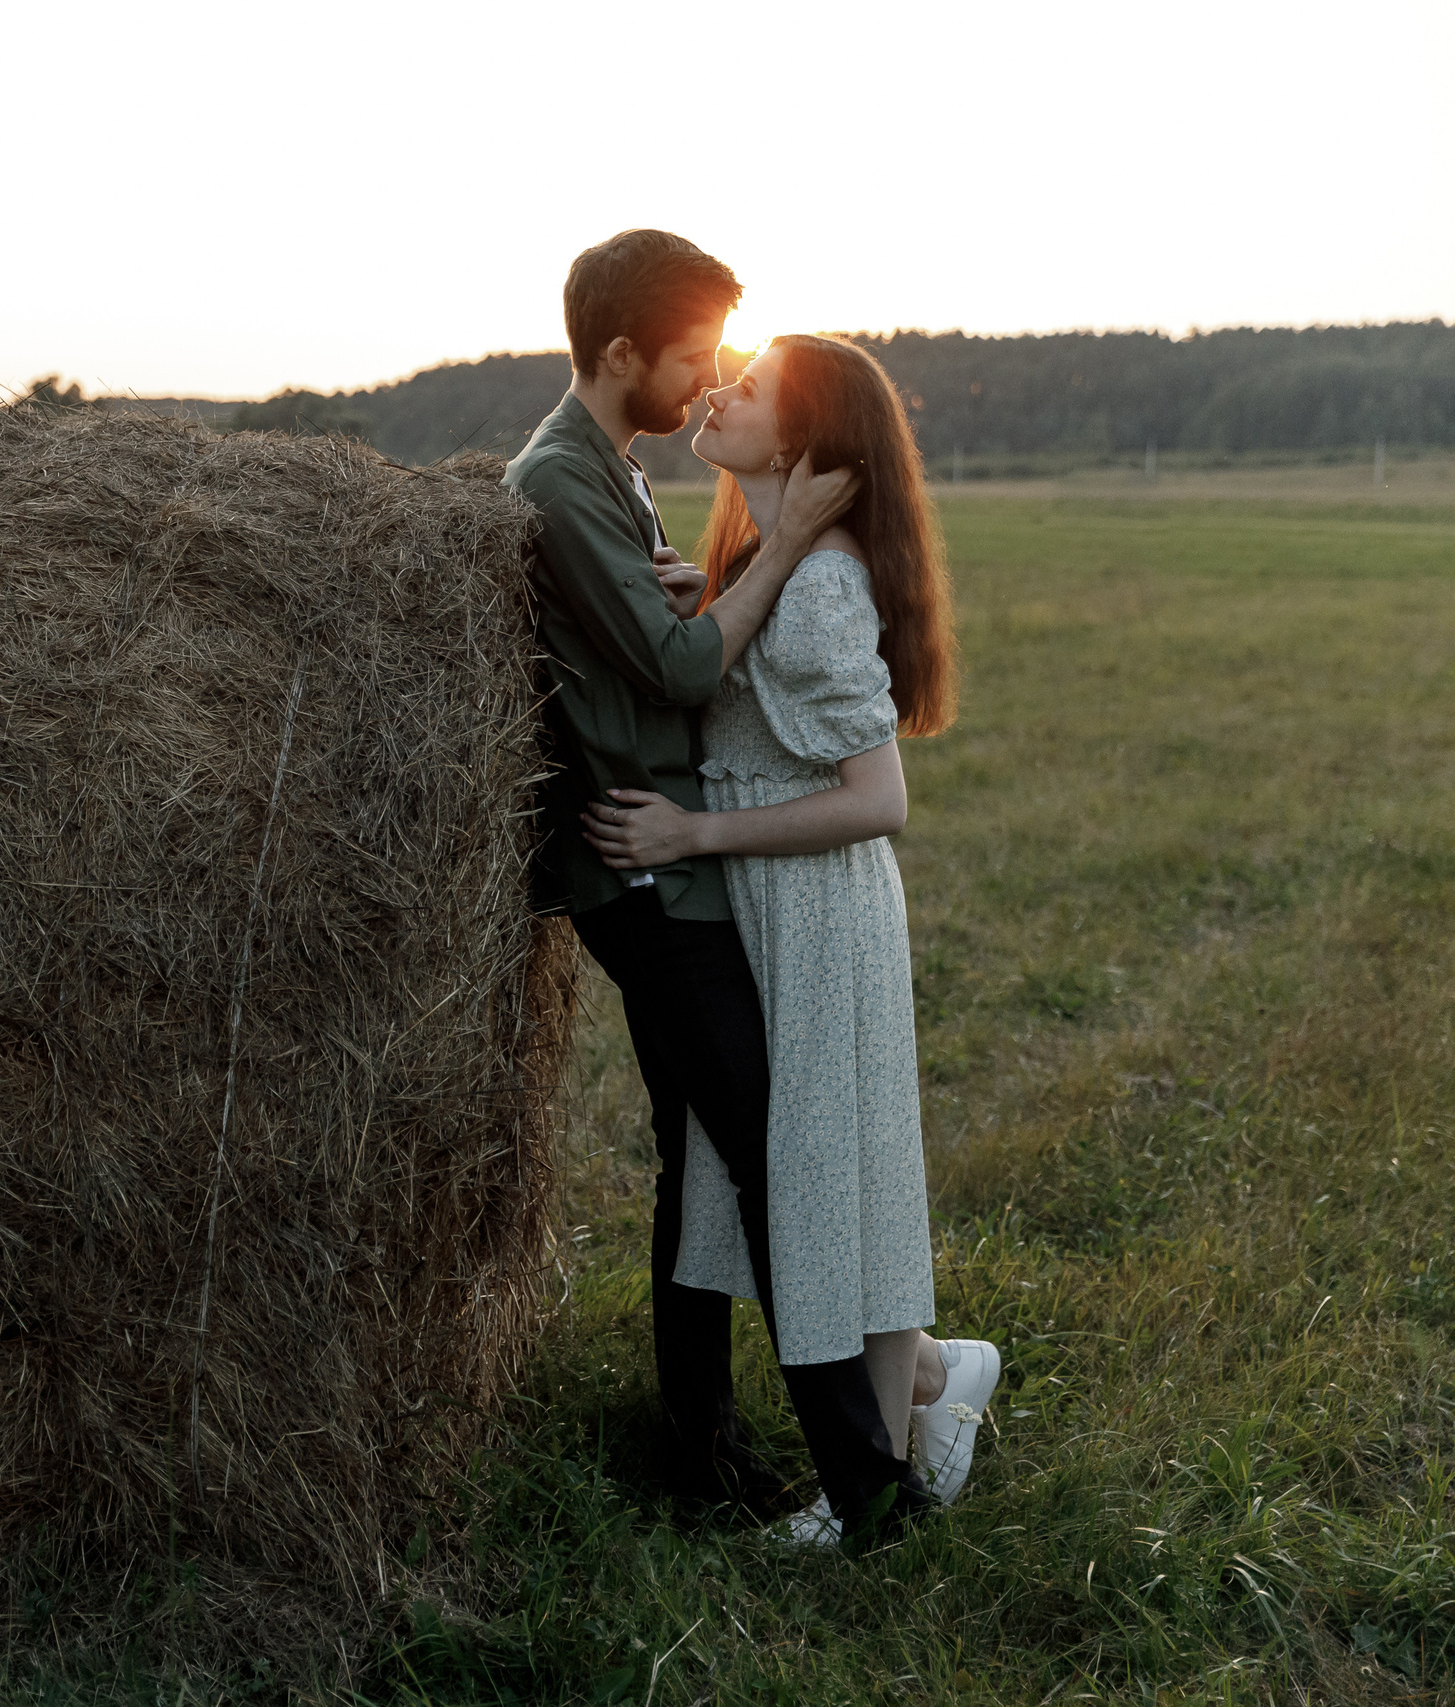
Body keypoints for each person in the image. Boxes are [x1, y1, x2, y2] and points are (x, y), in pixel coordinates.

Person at [579, 334, 1002, 1545]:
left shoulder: (817, 585)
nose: (714, 391)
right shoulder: (775, 561)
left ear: (806, 444)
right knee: (820, 1164)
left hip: (813, 907)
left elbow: (880, 800)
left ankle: (864, 1479)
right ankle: (923, 1376)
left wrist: (694, 833)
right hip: (783, 903)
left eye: (747, 389)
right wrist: (692, 607)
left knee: (822, 1171)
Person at [502, 230, 883, 1527]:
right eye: (689, 357)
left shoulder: (608, 467)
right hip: (648, 877)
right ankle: (864, 1479)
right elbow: (673, 672)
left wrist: (697, 587)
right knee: (770, 1159)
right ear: (620, 356)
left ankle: (705, 1447)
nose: (708, 375)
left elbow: (660, 640)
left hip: (671, 863)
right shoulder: (556, 479)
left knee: (704, 1157)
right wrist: (784, 548)